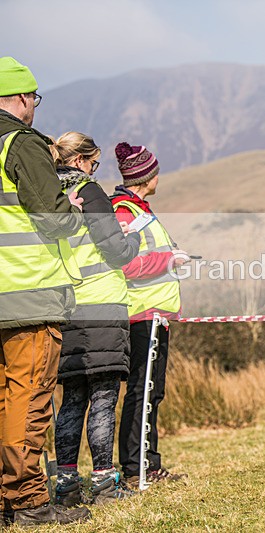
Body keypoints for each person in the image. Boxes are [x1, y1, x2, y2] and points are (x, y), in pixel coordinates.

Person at [0, 57, 90, 525]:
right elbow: (52, 217)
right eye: (34, 98)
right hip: (27, 293)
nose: (35, 105)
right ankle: (28, 501)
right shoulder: (21, 143)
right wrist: (73, 209)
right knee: (29, 398)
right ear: (20, 98)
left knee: (3, 400)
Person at [49, 133, 141, 506]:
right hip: (102, 303)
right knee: (103, 396)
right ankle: (104, 482)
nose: (94, 170)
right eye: (93, 163)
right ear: (80, 161)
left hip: (65, 307)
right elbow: (116, 251)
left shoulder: (46, 195)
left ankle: (67, 484)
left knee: (72, 398)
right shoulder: (89, 192)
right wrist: (132, 240)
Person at [110, 142, 187, 486]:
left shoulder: (140, 209)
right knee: (143, 391)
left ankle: (147, 463)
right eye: (155, 170)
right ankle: (138, 467)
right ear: (146, 176)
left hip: (155, 313)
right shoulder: (125, 212)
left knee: (151, 392)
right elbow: (127, 265)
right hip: (142, 313)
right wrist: (170, 260)